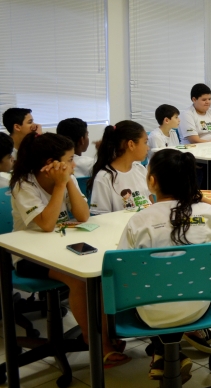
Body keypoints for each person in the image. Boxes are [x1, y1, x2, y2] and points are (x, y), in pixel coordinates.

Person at [118, 149, 211, 379]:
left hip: (151, 313)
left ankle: (162, 352)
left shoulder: (139, 220)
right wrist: (205, 201)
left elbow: (123, 270)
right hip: (198, 306)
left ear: (152, 181)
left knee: (150, 288)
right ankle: (169, 351)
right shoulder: (205, 212)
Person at [10, 132, 130, 368]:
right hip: (28, 255)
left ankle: (105, 333)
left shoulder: (68, 177)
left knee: (103, 272)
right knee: (79, 280)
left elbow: (83, 216)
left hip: (62, 245)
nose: (74, 164)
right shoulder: (24, 184)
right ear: (50, 164)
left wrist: (67, 181)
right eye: (69, 159)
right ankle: (93, 339)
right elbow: (46, 224)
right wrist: (60, 184)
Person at [88, 121, 152, 215]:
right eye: (145, 142)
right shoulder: (104, 177)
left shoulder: (140, 169)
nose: (148, 148)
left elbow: (150, 202)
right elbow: (101, 218)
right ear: (131, 145)